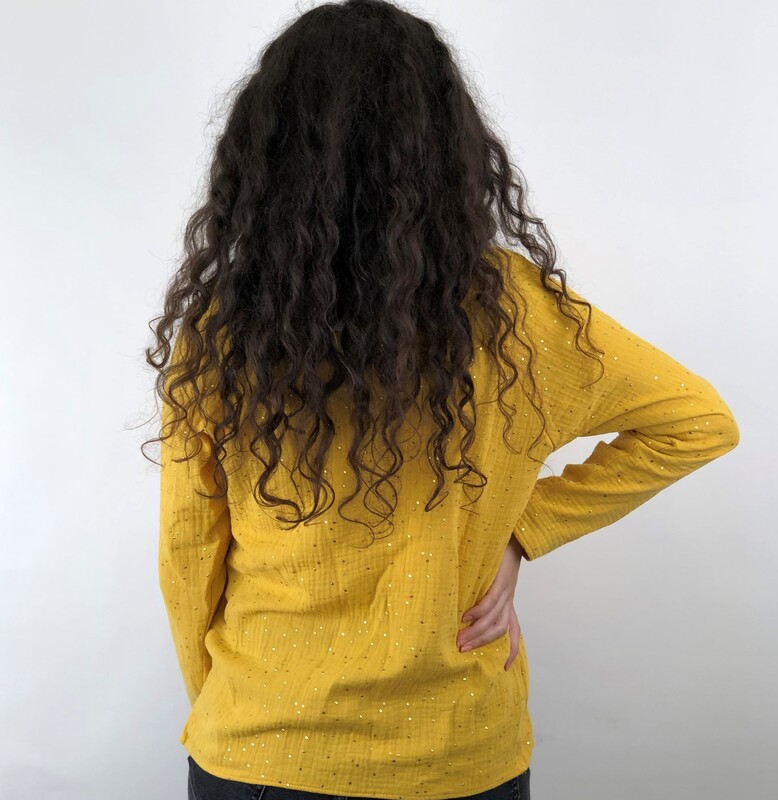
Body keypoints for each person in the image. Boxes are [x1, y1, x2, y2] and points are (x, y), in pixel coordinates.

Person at [142, 2, 740, 798]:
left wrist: (223, 705)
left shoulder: (227, 332)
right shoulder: (520, 317)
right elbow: (698, 421)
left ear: (267, 151)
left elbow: (188, 554)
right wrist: (523, 533)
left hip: (257, 749)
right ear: (447, 148)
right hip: (459, 758)